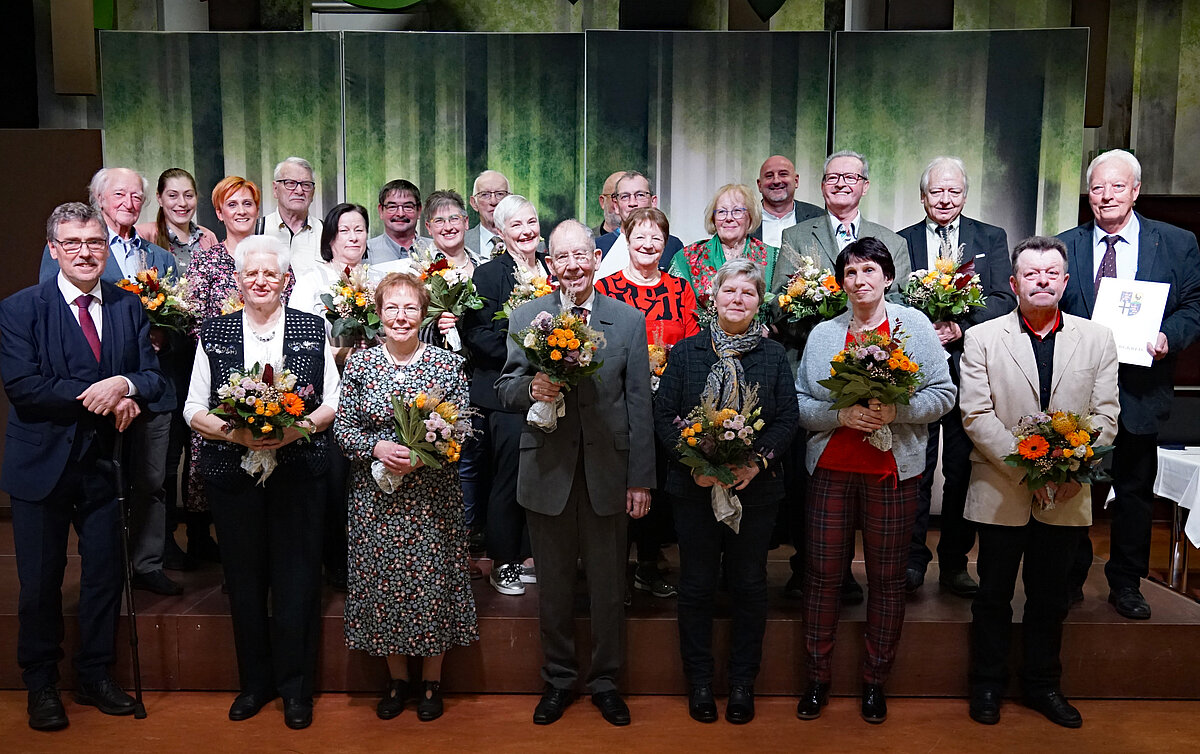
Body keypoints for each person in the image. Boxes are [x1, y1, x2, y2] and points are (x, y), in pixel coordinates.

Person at [2, 202, 166, 731]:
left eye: (93, 242)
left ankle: (96, 675)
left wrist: (127, 385)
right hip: (40, 469)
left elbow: (153, 378)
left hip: (105, 468)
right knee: (41, 582)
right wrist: (101, 393)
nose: (84, 252)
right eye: (71, 244)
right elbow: (25, 388)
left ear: (106, 247)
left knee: (103, 579)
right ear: (53, 250)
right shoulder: (20, 309)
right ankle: (42, 684)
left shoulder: (127, 306)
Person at [496, 219, 655, 727]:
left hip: (609, 473)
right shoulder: (526, 316)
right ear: (551, 264)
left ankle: (607, 683)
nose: (573, 266)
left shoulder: (627, 321)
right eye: (562, 257)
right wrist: (532, 389)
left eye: (581, 255)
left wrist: (640, 479)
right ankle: (559, 680)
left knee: (610, 588)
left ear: (596, 257)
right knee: (556, 588)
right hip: (547, 471)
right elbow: (505, 388)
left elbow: (639, 407)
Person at [960, 236, 1119, 728]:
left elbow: (1106, 417)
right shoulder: (982, 337)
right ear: (1014, 284)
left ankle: (1043, 685)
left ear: (1066, 282)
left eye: (1052, 272)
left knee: (1050, 597)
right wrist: (1031, 467)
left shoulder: (1098, 339)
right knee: (993, 594)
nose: (1043, 280)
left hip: (1068, 492)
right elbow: (975, 414)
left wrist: (1065, 466)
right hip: (1002, 487)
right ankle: (986, 685)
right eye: (1032, 274)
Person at [795, 237, 954, 724]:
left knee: (887, 581)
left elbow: (944, 394)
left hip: (893, 474)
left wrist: (898, 409)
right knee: (821, 579)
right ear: (840, 282)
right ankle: (817, 679)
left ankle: (873, 681)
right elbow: (800, 404)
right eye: (850, 272)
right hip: (831, 472)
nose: (860, 280)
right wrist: (838, 416)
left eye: (870, 271)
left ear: (888, 278)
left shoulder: (915, 327)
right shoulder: (823, 333)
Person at [183, 235, 339, 730]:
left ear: (286, 280)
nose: (261, 280)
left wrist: (295, 429)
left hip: (299, 474)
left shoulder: (314, 329)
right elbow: (192, 408)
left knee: (297, 584)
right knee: (245, 584)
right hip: (234, 478)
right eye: (252, 273)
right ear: (239, 280)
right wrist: (239, 433)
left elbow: (331, 401)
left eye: (271, 273)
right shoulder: (215, 332)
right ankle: (254, 685)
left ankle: (296, 690)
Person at [652, 258, 797, 724]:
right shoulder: (687, 352)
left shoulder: (773, 357)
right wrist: (695, 465)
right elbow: (663, 414)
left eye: (748, 293)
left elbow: (787, 420)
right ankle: (698, 683)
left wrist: (756, 463)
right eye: (730, 291)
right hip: (693, 488)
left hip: (756, 490)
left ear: (759, 303)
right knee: (695, 585)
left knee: (749, 584)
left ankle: (740, 684)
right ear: (713, 297)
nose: (738, 300)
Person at [1056, 149, 1200, 620]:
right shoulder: (1064, 246)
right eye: (1097, 187)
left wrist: (1166, 337)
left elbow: (1193, 307)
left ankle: (1127, 582)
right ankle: (1068, 578)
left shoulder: (1177, 243)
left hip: (1142, 387)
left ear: (1135, 190)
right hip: (1077, 390)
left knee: (1134, 491)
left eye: (1117, 186)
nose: (1106, 196)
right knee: (1075, 488)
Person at [334, 272, 480, 723]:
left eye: (410, 308)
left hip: (431, 498)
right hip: (375, 498)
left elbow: (463, 429)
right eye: (392, 308)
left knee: (431, 585)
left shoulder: (445, 364)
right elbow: (343, 429)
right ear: (378, 315)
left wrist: (425, 455)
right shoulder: (359, 366)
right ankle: (397, 680)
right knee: (384, 586)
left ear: (425, 314)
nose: (401, 316)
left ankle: (432, 682)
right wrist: (375, 447)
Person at [38, 168, 182, 597]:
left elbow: (182, 322)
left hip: (150, 386)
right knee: (105, 486)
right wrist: (113, 388)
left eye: (137, 196)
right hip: (92, 396)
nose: (129, 202)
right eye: (119, 193)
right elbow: (58, 319)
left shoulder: (161, 258)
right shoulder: (75, 249)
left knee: (153, 482)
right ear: (98, 199)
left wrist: (162, 332)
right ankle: (110, 567)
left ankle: (148, 563)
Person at [897, 156, 1015, 597]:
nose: (945, 199)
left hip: (973, 368)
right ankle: (910, 561)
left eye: (954, 191)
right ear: (923, 196)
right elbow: (889, 296)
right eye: (936, 191)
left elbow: (1005, 297)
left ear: (964, 195)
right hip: (916, 371)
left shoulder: (991, 237)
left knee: (964, 467)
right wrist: (922, 328)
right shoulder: (902, 240)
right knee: (916, 467)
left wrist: (958, 327)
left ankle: (954, 562)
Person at [596, 207, 699, 599]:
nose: (648, 244)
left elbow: (690, 343)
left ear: (665, 244)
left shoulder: (680, 288)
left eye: (656, 237)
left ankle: (649, 564)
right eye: (639, 236)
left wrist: (667, 373)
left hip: (667, 400)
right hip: (619, 400)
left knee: (657, 484)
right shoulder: (606, 288)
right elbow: (599, 345)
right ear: (625, 239)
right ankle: (614, 569)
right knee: (620, 484)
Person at [186, 176, 285, 559]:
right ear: (219, 212)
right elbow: (192, 313)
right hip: (218, 363)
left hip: (270, 366)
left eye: (248, 204)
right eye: (233, 205)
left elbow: (283, 305)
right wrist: (230, 327)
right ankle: (218, 547)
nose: (241, 211)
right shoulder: (208, 259)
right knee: (216, 458)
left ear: (258, 210)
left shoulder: (270, 253)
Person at [462, 194, 549, 597]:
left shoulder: (551, 269)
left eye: (531, 221)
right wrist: (528, 352)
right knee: (509, 477)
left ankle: (533, 554)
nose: (527, 230)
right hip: (505, 394)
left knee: (544, 474)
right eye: (516, 225)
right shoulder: (490, 274)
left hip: (551, 391)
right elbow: (476, 336)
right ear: (499, 231)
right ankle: (504, 560)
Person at [288, 202, 372, 592]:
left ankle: (370, 559)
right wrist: (341, 354)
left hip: (375, 391)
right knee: (336, 481)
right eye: (345, 230)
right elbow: (302, 340)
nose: (354, 237)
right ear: (331, 238)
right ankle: (337, 562)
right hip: (329, 392)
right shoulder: (311, 279)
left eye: (360, 229)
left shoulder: (375, 279)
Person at [777, 150, 910, 298]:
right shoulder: (795, 237)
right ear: (822, 187)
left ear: (865, 186)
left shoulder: (894, 243)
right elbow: (779, 299)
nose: (840, 184)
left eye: (850, 177)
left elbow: (900, 300)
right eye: (832, 178)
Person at [669, 183, 775, 308]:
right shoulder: (688, 257)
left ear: (750, 217)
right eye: (722, 212)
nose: (729, 218)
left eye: (737, 211)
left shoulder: (772, 257)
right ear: (713, 218)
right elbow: (674, 306)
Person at [595, 171, 685, 278]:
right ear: (616, 205)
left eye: (640, 195)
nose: (632, 203)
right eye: (625, 196)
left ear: (653, 202)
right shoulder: (598, 246)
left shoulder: (672, 245)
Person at [134, 167, 219, 275]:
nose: (182, 203)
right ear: (159, 198)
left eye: (188, 195)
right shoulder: (143, 235)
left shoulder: (207, 236)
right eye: (173, 196)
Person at [263, 156, 323, 275]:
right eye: (290, 183)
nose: (299, 191)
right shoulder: (258, 230)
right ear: (275, 189)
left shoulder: (326, 232)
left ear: (313, 192)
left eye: (306, 185)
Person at [751, 155, 823, 247]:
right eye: (769, 176)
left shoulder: (818, 217)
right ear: (759, 185)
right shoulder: (746, 219)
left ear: (796, 181)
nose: (776, 181)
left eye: (783, 174)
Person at [364, 179, 435, 269]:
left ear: (419, 210)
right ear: (381, 211)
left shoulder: (435, 249)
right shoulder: (366, 252)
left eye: (408, 207)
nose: (400, 214)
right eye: (392, 207)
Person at [467, 170, 512, 259]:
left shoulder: (530, 242)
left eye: (500, 194)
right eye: (485, 195)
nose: (493, 201)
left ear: (510, 199)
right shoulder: (461, 243)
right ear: (474, 203)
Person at [593, 170, 623, 238]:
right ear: (602, 202)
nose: (625, 204)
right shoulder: (587, 241)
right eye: (616, 196)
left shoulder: (648, 243)